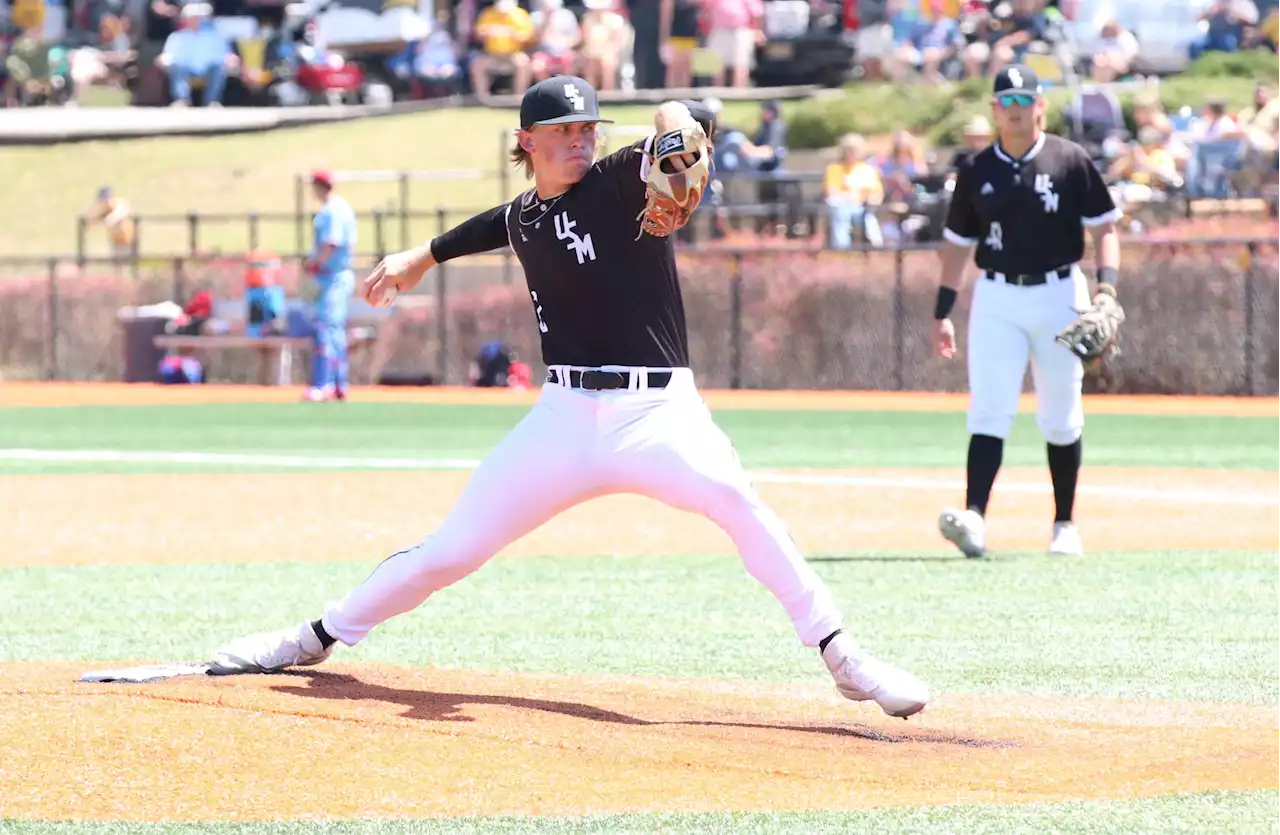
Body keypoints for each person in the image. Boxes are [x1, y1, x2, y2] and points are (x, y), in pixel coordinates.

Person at [207, 77, 931, 721]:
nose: (582, 140)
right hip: (562, 419)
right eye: (565, 131)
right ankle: (315, 637)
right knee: (449, 551)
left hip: (658, 415)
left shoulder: (621, 179)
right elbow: (499, 221)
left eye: (589, 128)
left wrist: (673, 118)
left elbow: (698, 118)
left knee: (742, 507)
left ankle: (842, 655)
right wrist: (422, 256)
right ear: (526, 141)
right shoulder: (526, 215)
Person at [931, 65, 1122, 559]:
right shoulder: (977, 170)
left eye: (1024, 101)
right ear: (995, 110)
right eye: (1006, 102)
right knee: (989, 409)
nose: (1015, 110)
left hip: (1061, 292)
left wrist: (1108, 290)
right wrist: (943, 309)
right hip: (996, 296)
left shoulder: (1069, 159)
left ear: (1041, 105)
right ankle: (974, 519)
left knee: (1061, 414)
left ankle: (1064, 524)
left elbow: (1106, 229)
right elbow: (956, 247)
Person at [303, 170, 358, 402]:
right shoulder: (340, 207)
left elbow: (331, 242)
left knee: (327, 330)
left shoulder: (333, 210)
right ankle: (338, 384)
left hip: (332, 276)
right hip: (334, 276)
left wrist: (314, 264)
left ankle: (324, 384)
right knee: (333, 329)